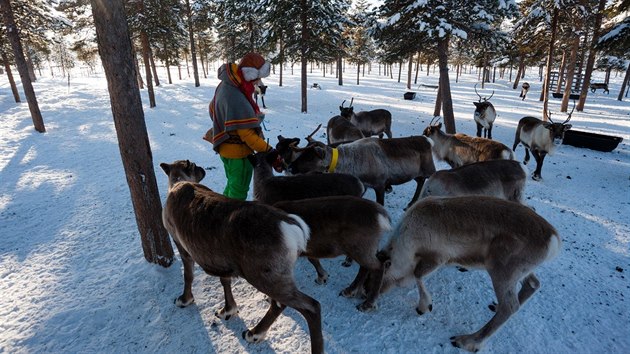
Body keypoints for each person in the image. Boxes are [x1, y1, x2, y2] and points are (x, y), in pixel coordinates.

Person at [205, 52, 282, 200]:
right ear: (249, 75)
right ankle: (230, 219)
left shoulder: (227, 84)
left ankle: (222, 210)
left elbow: (212, 109)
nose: (258, 83)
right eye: (256, 79)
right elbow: (247, 135)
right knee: (238, 192)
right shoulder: (235, 96)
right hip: (237, 154)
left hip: (226, 150)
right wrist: (270, 151)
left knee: (232, 185)